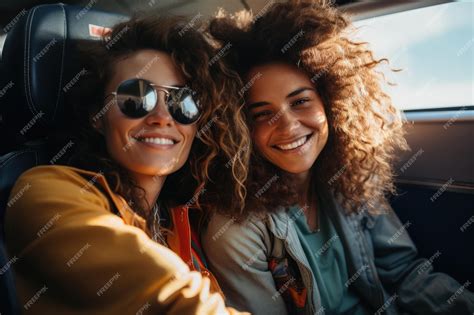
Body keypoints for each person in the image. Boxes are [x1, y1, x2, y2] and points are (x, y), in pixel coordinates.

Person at [202, 1, 474, 314]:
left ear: (331, 103)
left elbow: (403, 272)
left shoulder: (352, 174)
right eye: (262, 114)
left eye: (301, 101)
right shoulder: (236, 228)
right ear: (239, 128)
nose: (289, 126)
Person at [5, 14, 250, 314]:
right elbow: (174, 301)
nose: (163, 116)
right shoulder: (45, 191)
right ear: (98, 115)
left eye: (182, 102)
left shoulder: (181, 219)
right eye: (136, 96)